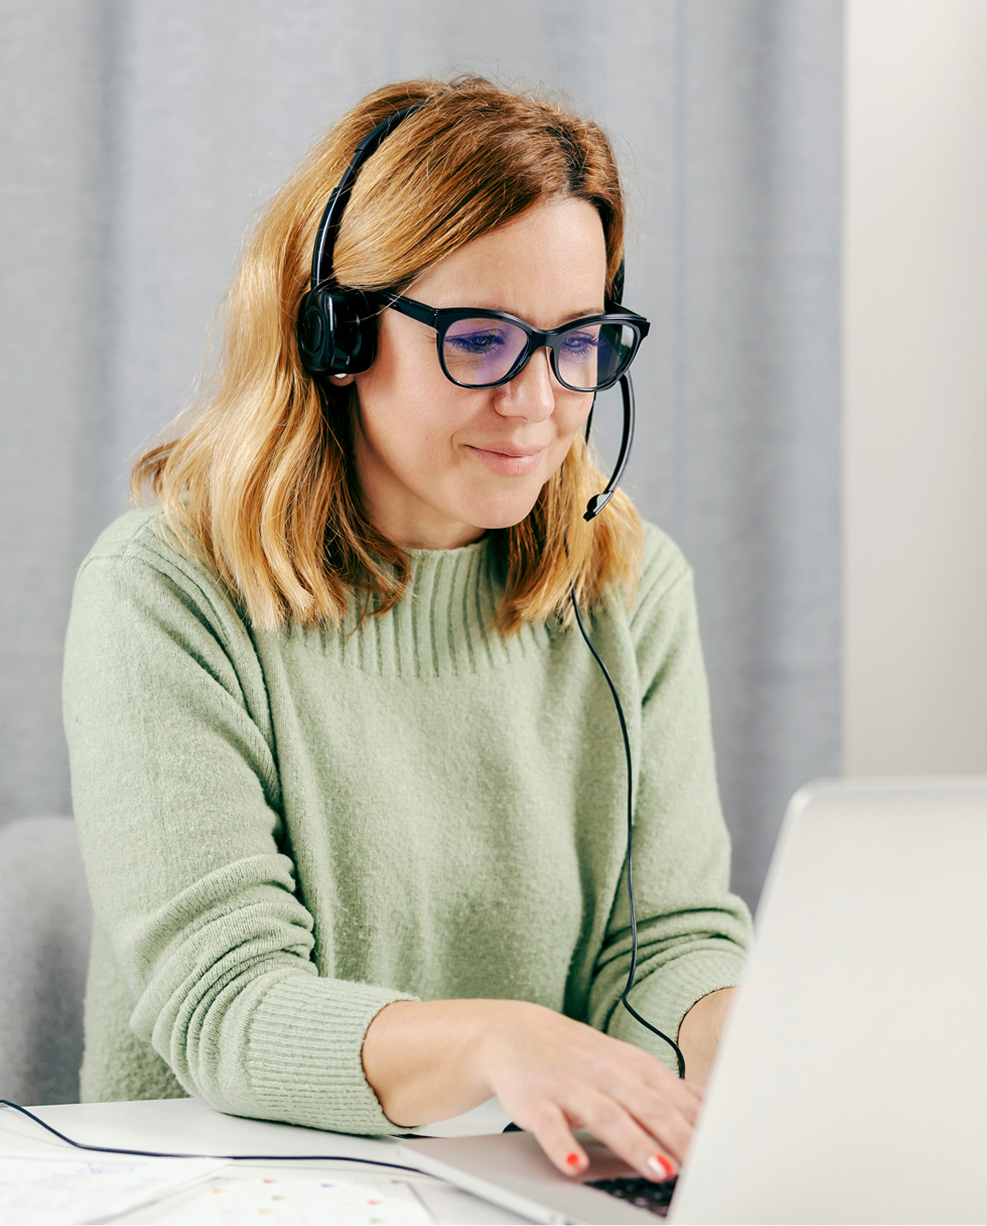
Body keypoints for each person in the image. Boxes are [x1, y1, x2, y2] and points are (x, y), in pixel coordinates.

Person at [61, 76, 749, 1188]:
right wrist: (490, 1038)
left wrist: (735, 1033)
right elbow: (222, 1000)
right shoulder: (164, 590)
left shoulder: (628, 583)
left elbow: (663, 938)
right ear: (338, 334)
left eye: (580, 341)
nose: (537, 403)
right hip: (225, 1187)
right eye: (480, 340)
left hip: (524, 1189)